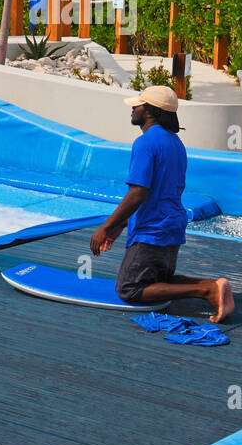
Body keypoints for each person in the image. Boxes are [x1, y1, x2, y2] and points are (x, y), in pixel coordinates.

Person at [90, 85, 234, 321]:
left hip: (152, 229)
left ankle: (206, 290)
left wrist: (105, 227)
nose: (133, 109)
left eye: (137, 105)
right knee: (157, 282)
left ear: (149, 111)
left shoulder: (145, 142)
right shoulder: (175, 143)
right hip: (172, 224)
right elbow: (159, 190)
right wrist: (121, 224)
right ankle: (214, 287)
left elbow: (139, 192)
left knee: (130, 289)